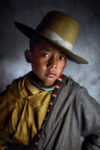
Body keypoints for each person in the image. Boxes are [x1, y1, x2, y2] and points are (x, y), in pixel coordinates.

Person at [0, 11, 100, 150]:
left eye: (61, 58)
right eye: (45, 54)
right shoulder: (14, 94)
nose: (53, 64)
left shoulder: (74, 96)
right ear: (29, 56)